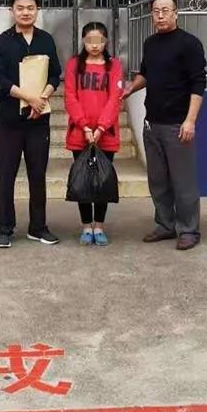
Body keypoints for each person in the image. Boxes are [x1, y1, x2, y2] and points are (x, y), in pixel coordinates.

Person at [123, 0, 207, 252]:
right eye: (156, 11)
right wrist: (130, 88)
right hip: (152, 124)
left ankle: (189, 229)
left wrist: (190, 121)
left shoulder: (189, 44)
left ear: (176, 13)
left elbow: (198, 84)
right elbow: (146, 75)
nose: (160, 15)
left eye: (165, 10)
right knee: (157, 181)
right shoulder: (150, 44)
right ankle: (165, 224)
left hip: (177, 125)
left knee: (183, 182)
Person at [0, 0, 62, 249]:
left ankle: (38, 227)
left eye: (30, 8)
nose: (25, 12)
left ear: (37, 10)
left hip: (38, 120)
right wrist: (28, 97)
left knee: (38, 175)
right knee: (5, 175)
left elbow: (55, 75)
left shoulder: (46, 40)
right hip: (8, 120)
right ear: (12, 11)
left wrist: (41, 98)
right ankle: (3, 228)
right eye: (20, 8)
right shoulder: (2, 41)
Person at [64, 22, 124, 246]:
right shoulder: (74, 64)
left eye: (99, 41)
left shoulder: (114, 65)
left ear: (106, 41)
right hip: (80, 134)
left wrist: (100, 128)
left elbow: (115, 98)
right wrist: (85, 126)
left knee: (101, 180)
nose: (95, 45)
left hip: (105, 134)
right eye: (90, 41)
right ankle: (85, 226)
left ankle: (99, 226)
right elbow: (70, 97)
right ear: (83, 41)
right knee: (83, 180)